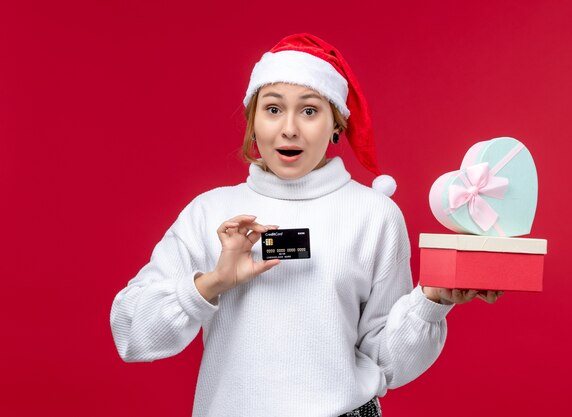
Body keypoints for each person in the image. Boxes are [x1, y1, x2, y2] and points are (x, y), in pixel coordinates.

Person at [110, 33, 503, 417]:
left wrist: (430, 302)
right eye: (274, 109)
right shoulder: (210, 212)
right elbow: (131, 334)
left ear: (336, 124)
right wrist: (211, 283)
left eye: (310, 110)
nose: (290, 128)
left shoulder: (374, 214)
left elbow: (385, 363)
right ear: (253, 120)